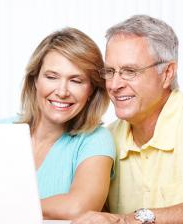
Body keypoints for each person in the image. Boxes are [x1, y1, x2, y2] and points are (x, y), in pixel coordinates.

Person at [73, 15, 183, 224]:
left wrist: (131, 220)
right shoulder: (105, 138)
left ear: (167, 73)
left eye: (130, 71)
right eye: (110, 72)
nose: (114, 85)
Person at [16, 27, 115, 220]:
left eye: (76, 81)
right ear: (35, 79)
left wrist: (5, 206)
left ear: (91, 91)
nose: (62, 91)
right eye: (52, 77)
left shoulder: (96, 140)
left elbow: (79, 207)